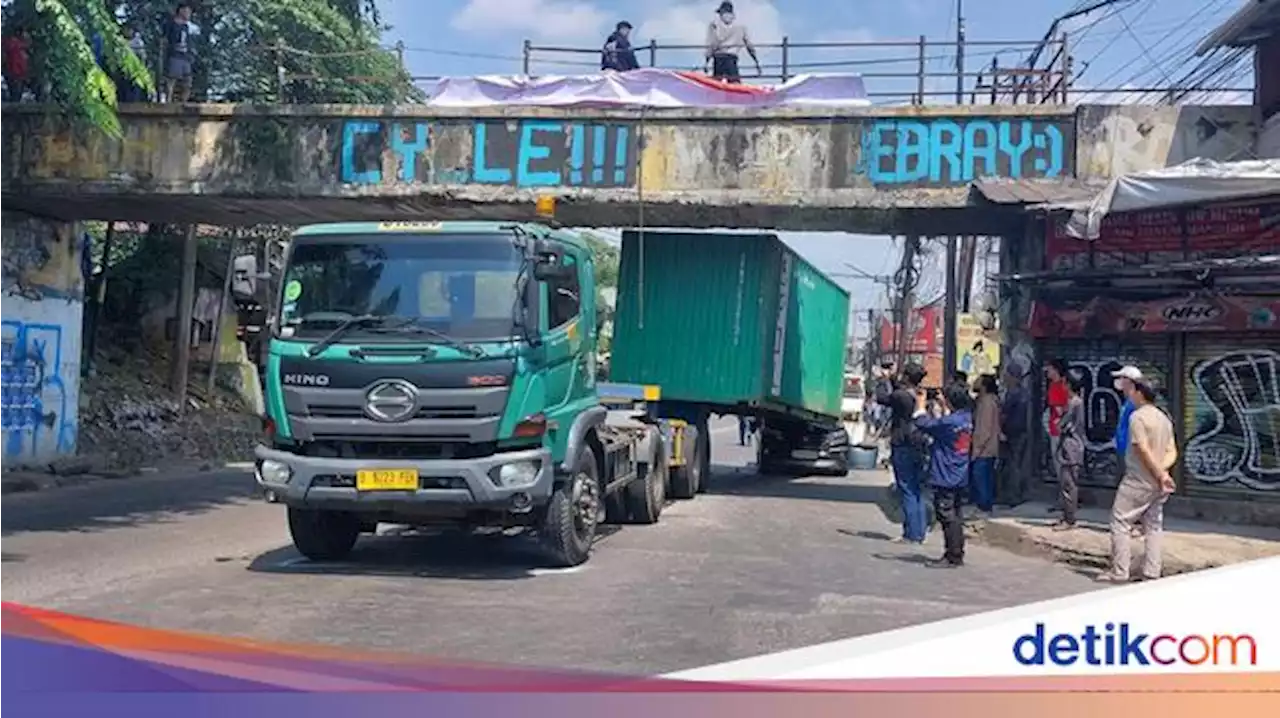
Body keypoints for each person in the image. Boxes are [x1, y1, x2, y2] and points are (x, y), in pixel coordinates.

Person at [1097, 369, 1177, 583]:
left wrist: (1158, 473)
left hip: (1138, 480)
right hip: (1159, 483)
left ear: (1141, 393)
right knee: (1153, 525)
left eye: (1134, 390)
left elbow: (1141, 449)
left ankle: (1120, 571)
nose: (1130, 394)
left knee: (1120, 522)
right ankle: (1152, 570)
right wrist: (1163, 474)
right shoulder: (1164, 418)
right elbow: (1172, 451)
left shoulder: (1137, 418)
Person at [915, 382, 974, 568]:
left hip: (945, 473)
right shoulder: (966, 418)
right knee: (956, 514)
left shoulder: (950, 422)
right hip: (959, 471)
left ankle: (952, 555)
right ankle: (957, 552)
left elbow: (922, 423)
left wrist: (921, 404)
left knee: (947, 515)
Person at [877, 362, 929, 544]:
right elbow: (899, 391)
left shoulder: (901, 396)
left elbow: (882, 398)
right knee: (916, 490)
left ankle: (911, 534)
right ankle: (919, 531)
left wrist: (883, 381)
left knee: (906, 488)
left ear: (906, 376)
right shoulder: (920, 395)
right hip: (918, 444)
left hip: (903, 443)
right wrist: (892, 378)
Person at [1052, 373, 1086, 530]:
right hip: (1070, 446)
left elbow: (1061, 424)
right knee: (1067, 482)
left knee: (1069, 483)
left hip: (1071, 447)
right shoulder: (1074, 402)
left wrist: (1059, 422)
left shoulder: (1074, 403)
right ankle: (1066, 516)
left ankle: (1070, 519)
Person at [998, 361, 1031, 506]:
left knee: (1013, 465)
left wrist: (999, 428)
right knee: (1016, 464)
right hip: (1020, 432)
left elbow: (1004, 414)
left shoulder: (1014, 393)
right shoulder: (1023, 392)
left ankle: (1013, 496)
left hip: (1012, 433)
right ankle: (1017, 493)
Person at [704, 2, 760, 83]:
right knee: (735, 83)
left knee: (716, 84)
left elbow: (711, 44)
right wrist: (756, 61)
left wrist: (706, 61)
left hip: (719, 57)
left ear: (722, 12)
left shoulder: (714, 25)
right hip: (732, 57)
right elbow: (749, 45)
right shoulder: (741, 26)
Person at [969, 374, 1000, 514]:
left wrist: (977, 448)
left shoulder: (987, 403)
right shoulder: (983, 401)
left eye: (978, 381)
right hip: (986, 446)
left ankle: (984, 506)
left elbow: (984, 428)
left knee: (981, 477)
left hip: (984, 448)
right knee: (985, 476)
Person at [162, 4, 196, 103]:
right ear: (181, 11)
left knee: (187, 80)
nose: (188, 14)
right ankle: (168, 100)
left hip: (185, 56)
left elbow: (189, 41)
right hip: (174, 55)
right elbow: (164, 39)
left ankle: (183, 101)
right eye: (187, 11)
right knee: (172, 78)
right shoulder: (171, 24)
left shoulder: (186, 26)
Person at [1, 26, 31, 103]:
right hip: (15, 73)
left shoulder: (16, 44)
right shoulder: (15, 44)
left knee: (16, 94)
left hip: (16, 73)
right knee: (15, 94)